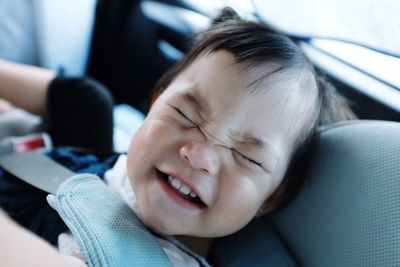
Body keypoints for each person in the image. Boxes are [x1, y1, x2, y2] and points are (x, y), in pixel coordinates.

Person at [0, 8, 356, 267]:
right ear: (155, 104)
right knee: (89, 102)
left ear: (271, 197)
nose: (199, 155)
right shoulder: (122, 164)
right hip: (85, 172)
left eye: (246, 156)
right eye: (185, 114)